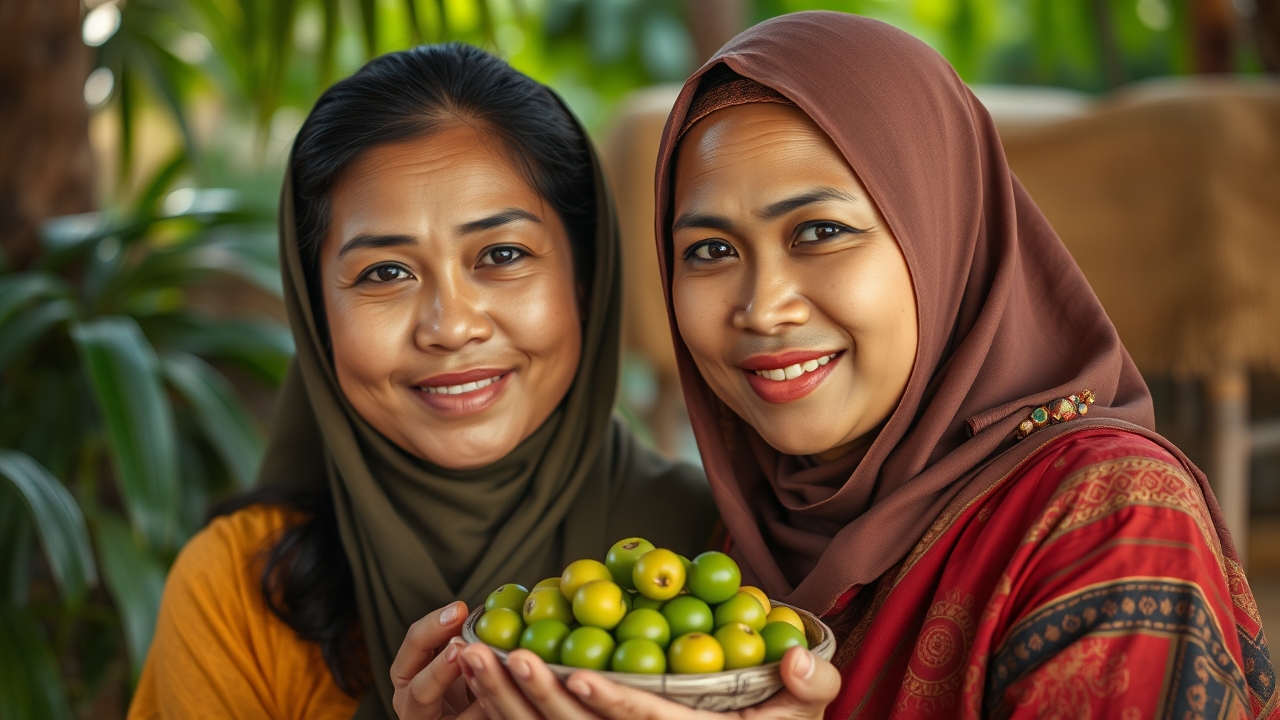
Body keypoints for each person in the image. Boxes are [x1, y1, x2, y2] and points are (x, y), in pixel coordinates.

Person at [458, 12, 1278, 720]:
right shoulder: (733, 553)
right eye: (709, 250)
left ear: (943, 238)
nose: (763, 305)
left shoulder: (1107, 518)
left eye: (819, 232)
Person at [126, 43, 716, 720]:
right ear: (317, 317)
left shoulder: (724, 553)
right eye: (385, 273)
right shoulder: (238, 592)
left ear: (586, 279)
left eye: (501, 255)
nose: (450, 326)